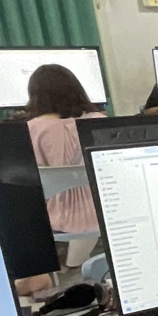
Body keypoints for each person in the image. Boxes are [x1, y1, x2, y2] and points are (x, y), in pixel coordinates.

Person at [23, 64, 105, 243]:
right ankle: (77, 258)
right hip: (105, 212)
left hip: (57, 218)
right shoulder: (100, 122)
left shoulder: (33, 128)